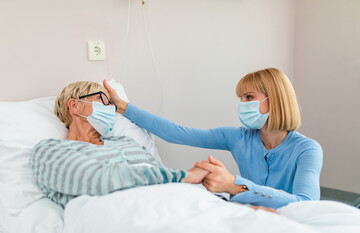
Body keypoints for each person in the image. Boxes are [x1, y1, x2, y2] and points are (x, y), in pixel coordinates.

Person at [106, 68, 323, 209]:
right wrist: (123, 107)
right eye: (240, 98)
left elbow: (306, 203)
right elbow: (177, 133)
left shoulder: (307, 149)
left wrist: (236, 186)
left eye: (249, 97)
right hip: (254, 216)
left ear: (274, 100)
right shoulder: (238, 137)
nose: (242, 104)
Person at [29, 81, 208, 208]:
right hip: (122, 215)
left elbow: (166, 183)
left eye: (112, 105)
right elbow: (97, 179)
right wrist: (183, 176)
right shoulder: (50, 150)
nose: (110, 109)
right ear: (75, 106)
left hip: (172, 204)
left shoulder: (128, 143)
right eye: (102, 100)